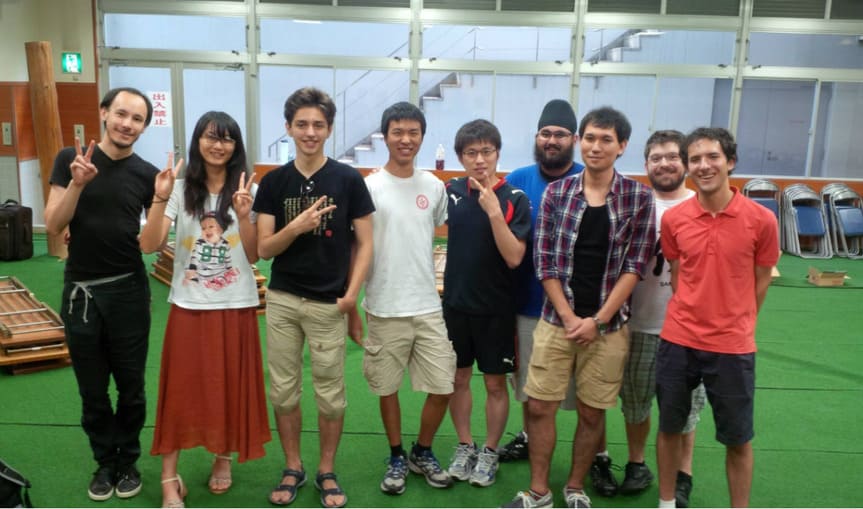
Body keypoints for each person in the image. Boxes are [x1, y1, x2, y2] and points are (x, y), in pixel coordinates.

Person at [506, 106, 655, 509]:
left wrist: (599, 320)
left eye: (606, 139)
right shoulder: (557, 193)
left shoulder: (638, 198)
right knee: (539, 407)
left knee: (592, 413)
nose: (596, 146)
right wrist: (571, 318)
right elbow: (547, 262)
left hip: (608, 329)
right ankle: (539, 491)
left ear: (622, 146)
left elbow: (635, 265)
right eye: (590, 137)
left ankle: (575, 487)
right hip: (557, 322)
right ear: (580, 141)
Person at [140, 111, 272, 508]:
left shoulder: (249, 187)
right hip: (189, 305)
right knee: (179, 391)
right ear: (197, 141)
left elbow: (253, 254)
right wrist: (160, 195)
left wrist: (245, 214)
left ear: (237, 147)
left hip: (236, 305)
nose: (219, 145)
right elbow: (149, 246)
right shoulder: (179, 189)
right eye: (211, 137)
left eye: (228, 139)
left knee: (229, 385)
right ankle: (169, 479)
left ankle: (222, 457)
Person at [253, 87, 375, 508]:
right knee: (283, 392)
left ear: (329, 129)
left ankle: (326, 468)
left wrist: (351, 296)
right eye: (301, 124)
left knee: (330, 392)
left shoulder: (347, 179)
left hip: (329, 304)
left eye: (318, 125)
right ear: (288, 128)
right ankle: (292, 465)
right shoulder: (273, 182)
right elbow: (263, 249)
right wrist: (297, 227)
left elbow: (365, 244)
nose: (310, 132)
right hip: (284, 301)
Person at [44, 87, 158, 501]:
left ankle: (127, 461)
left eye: (138, 119)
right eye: (122, 114)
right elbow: (54, 226)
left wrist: (162, 198)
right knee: (92, 389)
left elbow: (153, 242)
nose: (128, 124)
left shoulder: (146, 174)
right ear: (104, 113)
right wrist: (76, 185)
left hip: (128, 290)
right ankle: (104, 462)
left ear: (144, 126)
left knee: (131, 386)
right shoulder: (70, 159)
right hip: (81, 294)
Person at [656, 127, 779, 508]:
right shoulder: (674, 220)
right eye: (695, 159)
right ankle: (666, 502)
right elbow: (678, 274)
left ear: (730, 162)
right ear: (688, 167)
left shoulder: (762, 221)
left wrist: (737, 320)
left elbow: (761, 280)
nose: (704, 166)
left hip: (732, 346)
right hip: (678, 339)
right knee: (669, 427)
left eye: (712, 157)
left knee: (738, 438)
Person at [361, 102, 456, 495]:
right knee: (387, 387)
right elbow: (359, 245)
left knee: (443, 385)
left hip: (427, 306)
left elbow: (436, 228)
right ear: (385, 135)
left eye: (413, 132)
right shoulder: (368, 186)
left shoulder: (434, 186)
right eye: (397, 131)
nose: (405, 139)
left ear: (422, 136)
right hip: (384, 305)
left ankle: (423, 449)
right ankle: (397, 454)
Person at [615, 130, 705, 506]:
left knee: (684, 410)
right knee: (634, 404)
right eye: (656, 157)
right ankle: (637, 464)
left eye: (672, 156)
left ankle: (683, 473)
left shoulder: (702, 206)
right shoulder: (635, 203)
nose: (664, 163)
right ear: (646, 163)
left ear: (684, 162)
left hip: (688, 332)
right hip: (637, 325)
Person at [443, 119, 531, 488]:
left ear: (497, 153)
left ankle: (491, 451)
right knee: (457, 378)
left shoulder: (515, 199)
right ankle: (465, 445)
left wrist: (494, 211)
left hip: (496, 310)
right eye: (471, 153)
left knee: (495, 384)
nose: (479, 160)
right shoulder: (450, 191)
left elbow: (514, 257)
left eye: (486, 152)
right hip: (456, 306)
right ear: (461, 156)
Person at [500, 99, 584, 463]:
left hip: (581, 309)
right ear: (537, 137)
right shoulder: (517, 181)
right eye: (545, 133)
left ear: (574, 139)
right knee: (528, 386)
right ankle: (525, 436)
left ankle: (594, 452)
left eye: (560, 134)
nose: (552, 140)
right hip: (527, 304)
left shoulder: (589, 178)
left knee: (586, 392)